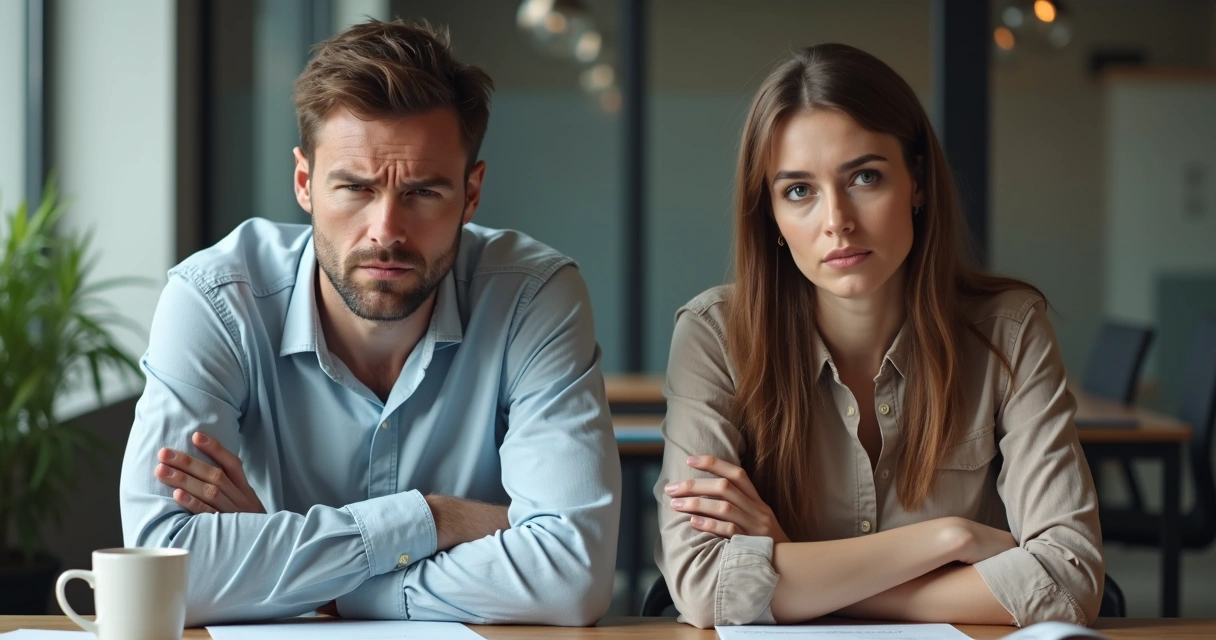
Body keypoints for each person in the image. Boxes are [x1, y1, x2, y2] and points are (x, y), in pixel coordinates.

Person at [119, 19, 619, 626]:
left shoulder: (532, 296)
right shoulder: (216, 300)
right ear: (305, 183)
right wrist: (437, 519)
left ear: (472, 192)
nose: (386, 230)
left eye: (424, 192)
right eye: (354, 188)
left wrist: (313, 585)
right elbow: (162, 570)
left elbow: (572, 577)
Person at [653, 43, 1103, 629]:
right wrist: (949, 538)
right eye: (798, 190)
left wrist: (792, 567)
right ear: (771, 217)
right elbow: (702, 585)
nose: (836, 219)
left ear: (916, 182)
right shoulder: (713, 335)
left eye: (864, 176)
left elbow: (1068, 582)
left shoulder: (1010, 330)